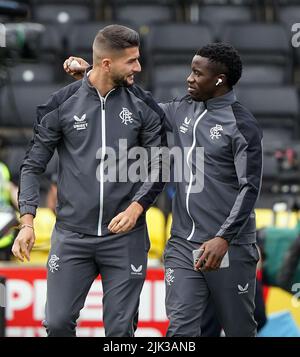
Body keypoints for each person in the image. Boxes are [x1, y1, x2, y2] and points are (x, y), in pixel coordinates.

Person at [63, 42, 263, 337]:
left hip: (228, 247)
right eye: (190, 71)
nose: (189, 78)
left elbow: (250, 188)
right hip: (182, 244)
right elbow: (141, 101)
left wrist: (223, 238)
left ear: (219, 79)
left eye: (197, 73)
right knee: (180, 330)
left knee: (239, 329)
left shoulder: (241, 124)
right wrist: (93, 74)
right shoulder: (181, 109)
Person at [12, 24, 166, 337]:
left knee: (120, 331)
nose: (139, 66)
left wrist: (137, 209)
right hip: (71, 237)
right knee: (56, 324)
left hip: (125, 238)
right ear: (107, 63)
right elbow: (31, 166)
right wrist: (27, 222)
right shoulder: (60, 104)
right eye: (132, 61)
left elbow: (160, 164)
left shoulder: (143, 105)